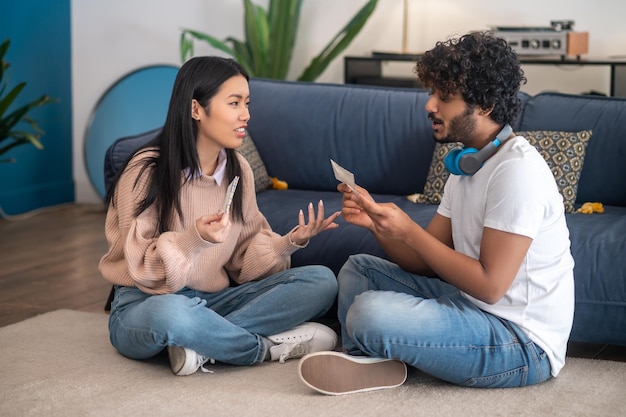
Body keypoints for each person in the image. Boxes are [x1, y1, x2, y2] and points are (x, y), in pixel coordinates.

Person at [297, 31, 575, 395]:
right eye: (432, 93)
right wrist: (379, 225)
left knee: (369, 312)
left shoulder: (516, 171)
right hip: (471, 306)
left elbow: (491, 288)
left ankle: (375, 350)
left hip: (520, 341)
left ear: (484, 105)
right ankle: (369, 362)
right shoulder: (467, 166)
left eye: (444, 97)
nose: (430, 105)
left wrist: (408, 230)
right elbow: (424, 261)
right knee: (359, 270)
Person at [100, 56, 341, 376]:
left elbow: (242, 262)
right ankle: (260, 349)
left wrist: (288, 243)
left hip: (216, 300)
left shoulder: (239, 170)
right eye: (234, 103)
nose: (247, 115)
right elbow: (143, 270)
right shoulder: (147, 171)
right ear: (196, 109)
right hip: (145, 303)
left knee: (322, 281)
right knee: (172, 314)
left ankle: (199, 342)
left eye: (247, 103)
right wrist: (192, 240)